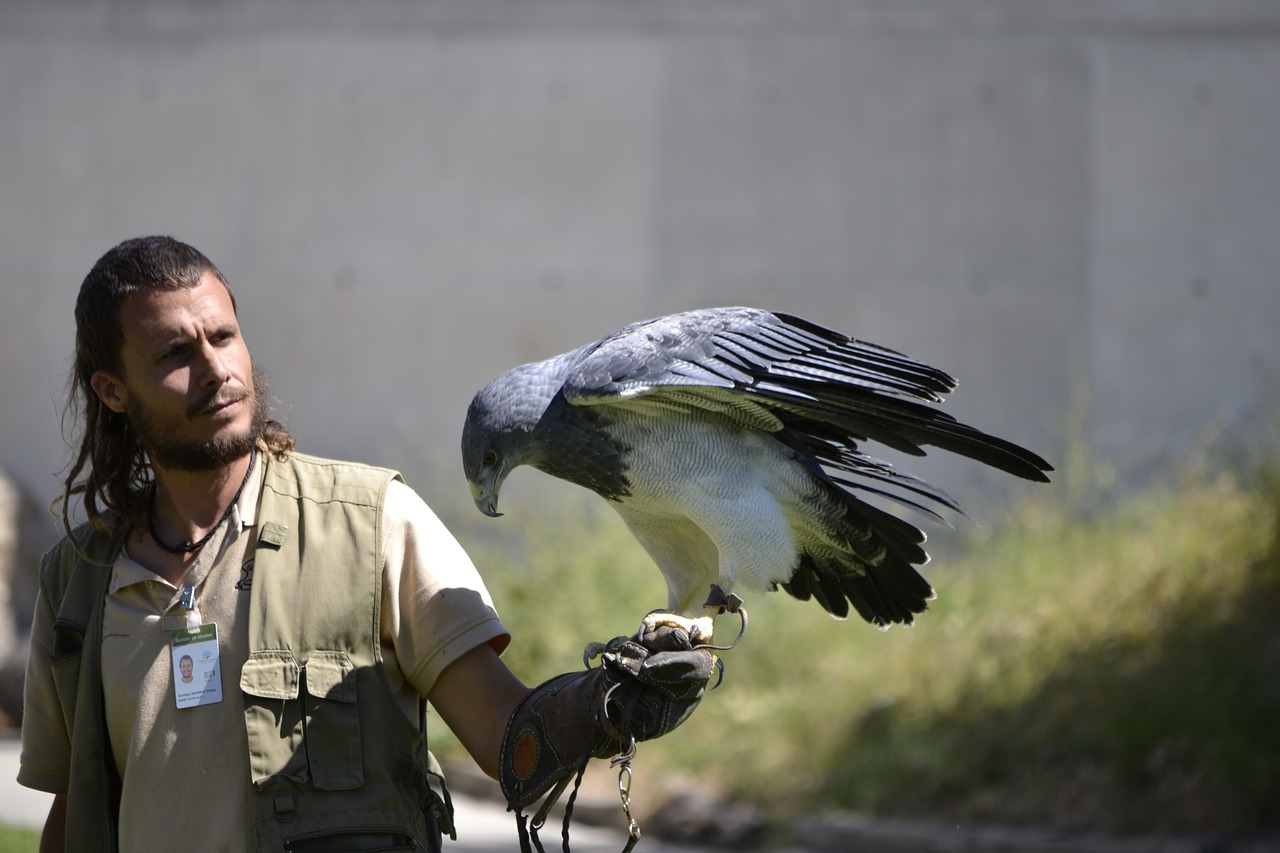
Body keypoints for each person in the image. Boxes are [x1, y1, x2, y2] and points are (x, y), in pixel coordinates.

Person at [19, 236, 715, 853]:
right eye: (176, 352)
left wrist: (605, 702)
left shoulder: (374, 522)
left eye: (224, 337)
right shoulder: (76, 581)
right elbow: (73, 812)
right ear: (112, 390)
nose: (216, 369)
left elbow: (511, 744)